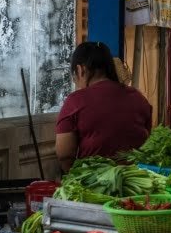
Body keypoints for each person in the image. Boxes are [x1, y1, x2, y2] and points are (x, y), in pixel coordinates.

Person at [55, 42, 152, 173]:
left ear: (80, 70)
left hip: (95, 182)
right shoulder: (139, 98)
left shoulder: (75, 101)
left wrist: (74, 177)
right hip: (136, 180)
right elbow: (146, 141)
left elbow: (64, 154)